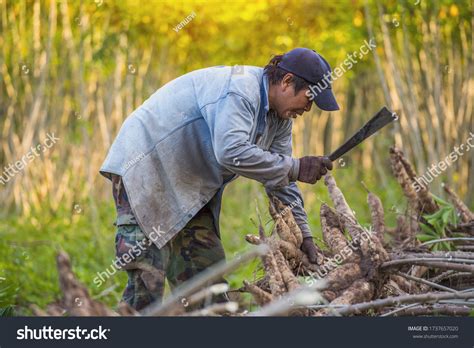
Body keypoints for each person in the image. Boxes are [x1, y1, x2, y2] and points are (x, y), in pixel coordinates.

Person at [100, 47, 338, 311]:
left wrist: (304, 234)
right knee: (147, 282)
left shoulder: (280, 120)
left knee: (206, 280)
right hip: (145, 166)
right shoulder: (241, 90)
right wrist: (296, 167)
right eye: (309, 98)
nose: (308, 108)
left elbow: (281, 180)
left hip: (189, 183)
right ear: (287, 81)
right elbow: (230, 151)